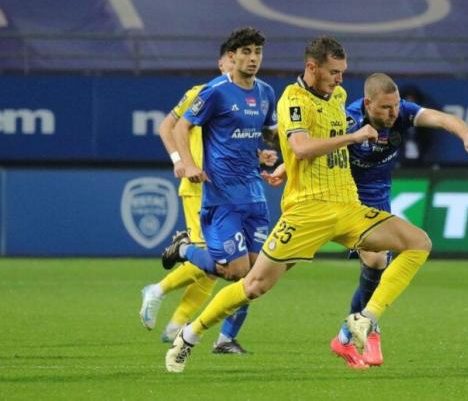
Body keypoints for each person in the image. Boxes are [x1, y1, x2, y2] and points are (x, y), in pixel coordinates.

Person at [164, 36, 432, 373]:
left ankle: (366, 318)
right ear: (312, 67)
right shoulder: (292, 99)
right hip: (308, 212)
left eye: (343, 71)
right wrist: (351, 137)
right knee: (253, 285)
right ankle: (189, 336)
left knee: (418, 242)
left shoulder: (340, 97)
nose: (339, 78)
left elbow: (318, 150)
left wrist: (284, 164)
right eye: (334, 72)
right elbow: (303, 147)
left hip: (347, 206)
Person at [335, 73, 468, 366]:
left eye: (396, 106)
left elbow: (443, 119)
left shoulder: (402, 112)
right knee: (377, 262)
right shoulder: (348, 121)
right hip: (349, 201)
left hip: (380, 201)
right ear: (368, 104)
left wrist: (467, 135)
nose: (393, 113)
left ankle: (348, 333)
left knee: (378, 268)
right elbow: (320, 151)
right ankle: (364, 329)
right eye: (385, 108)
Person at [147, 26, 278, 355]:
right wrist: (186, 163)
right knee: (232, 271)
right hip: (221, 195)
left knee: (252, 277)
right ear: (230, 58)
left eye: (257, 53)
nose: (252, 59)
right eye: (246, 53)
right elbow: (178, 126)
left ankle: (225, 340)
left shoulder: (265, 92)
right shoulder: (214, 91)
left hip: (254, 195)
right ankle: (185, 251)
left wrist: (270, 151)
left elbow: (267, 133)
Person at [138, 36, 235, 345]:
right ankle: (157, 290)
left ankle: (175, 327)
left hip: (228, 190)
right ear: (222, 63)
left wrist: (259, 157)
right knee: (211, 259)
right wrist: (180, 160)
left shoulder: (244, 100)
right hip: (199, 187)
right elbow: (166, 126)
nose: (240, 63)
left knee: (217, 269)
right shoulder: (201, 93)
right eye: (232, 58)